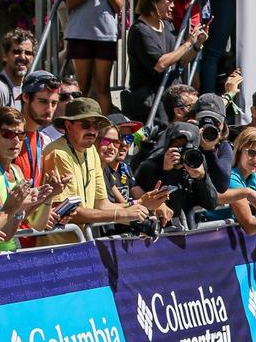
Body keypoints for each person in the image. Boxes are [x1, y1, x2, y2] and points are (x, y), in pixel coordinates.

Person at [41, 97, 162, 245]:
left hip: (81, 243)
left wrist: (139, 214)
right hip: (57, 248)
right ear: (68, 125)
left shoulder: (91, 151)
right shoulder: (58, 153)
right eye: (85, 124)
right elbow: (68, 212)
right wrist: (123, 214)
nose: (92, 131)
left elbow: (102, 205)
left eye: (96, 125)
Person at [126, 0, 207, 123]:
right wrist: (187, 43)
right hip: (152, 102)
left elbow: (181, 60)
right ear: (154, 0)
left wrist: (197, 45)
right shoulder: (140, 31)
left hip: (171, 99)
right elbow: (161, 64)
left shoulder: (168, 25)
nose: (172, 6)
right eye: (169, 0)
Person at [0, 107, 65, 249]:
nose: (16, 140)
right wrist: (23, 206)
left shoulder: (17, 171)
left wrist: (48, 196)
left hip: (12, 251)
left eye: (21, 135)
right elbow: (4, 222)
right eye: (8, 134)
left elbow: (37, 224)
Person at [66, 0, 126, 115]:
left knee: (102, 86)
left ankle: (105, 126)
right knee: (82, 87)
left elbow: (119, 6)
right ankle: (79, 122)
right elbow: (71, 1)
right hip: (80, 34)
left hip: (105, 36)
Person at [132, 122, 215, 223]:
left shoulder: (195, 162)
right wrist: (169, 172)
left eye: (186, 146)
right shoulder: (150, 167)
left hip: (193, 226)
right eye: (177, 145)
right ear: (168, 145)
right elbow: (174, 211)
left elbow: (211, 204)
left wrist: (202, 178)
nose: (181, 151)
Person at [15, 71, 63, 187]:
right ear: (26, 97)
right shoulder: (10, 136)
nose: (49, 110)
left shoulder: (40, 139)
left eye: (54, 103)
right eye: (43, 102)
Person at [0, 29, 36, 108]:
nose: (22, 57)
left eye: (28, 53)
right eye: (17, 52)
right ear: (5, 56)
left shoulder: (25, 89)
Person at [40, 76, 82, 143]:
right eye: (64, 97)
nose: (71, 99)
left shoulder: (87, 134)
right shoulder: (43, 139)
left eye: (76, 95)